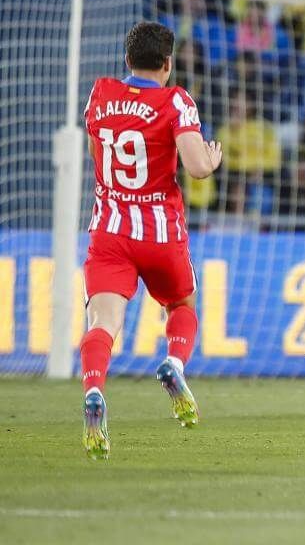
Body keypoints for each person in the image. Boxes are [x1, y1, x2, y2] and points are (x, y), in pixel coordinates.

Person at [80, 22, 223, 460]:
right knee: (181, 306)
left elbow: (96, 155)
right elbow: (196, 167)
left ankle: (94, 390)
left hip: (110, 230)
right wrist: (212, 159)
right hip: (160, 232)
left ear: (127, 60)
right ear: (167, 63)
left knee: (103, 322)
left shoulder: (100, 93)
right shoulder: (175, 100)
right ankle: (174, 363)